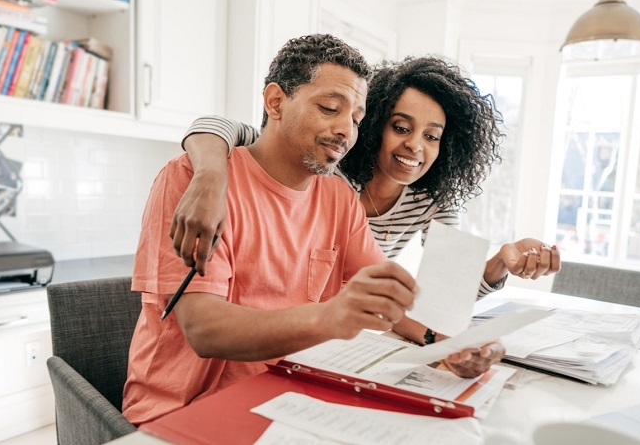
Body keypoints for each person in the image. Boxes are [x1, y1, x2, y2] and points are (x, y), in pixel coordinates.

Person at [123, 34, 502, 426]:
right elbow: (204, 330)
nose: (345, 130)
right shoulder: (191, 181)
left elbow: (387, 297)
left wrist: (449, 344)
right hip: (183, 414)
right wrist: (329, 316)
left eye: (356, 119)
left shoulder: (337, 196)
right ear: (276, 102)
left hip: (289, 399)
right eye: (329, 108)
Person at [172, 56, 561, 297]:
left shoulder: (430, 200)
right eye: (401, 127)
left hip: (349, 333)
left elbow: (448, 295)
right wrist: (209, 175)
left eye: (432, 136)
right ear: (374, 124)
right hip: (296, 326)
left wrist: (498, 264)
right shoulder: (325, 166)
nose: (416, 147)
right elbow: (217, 125)